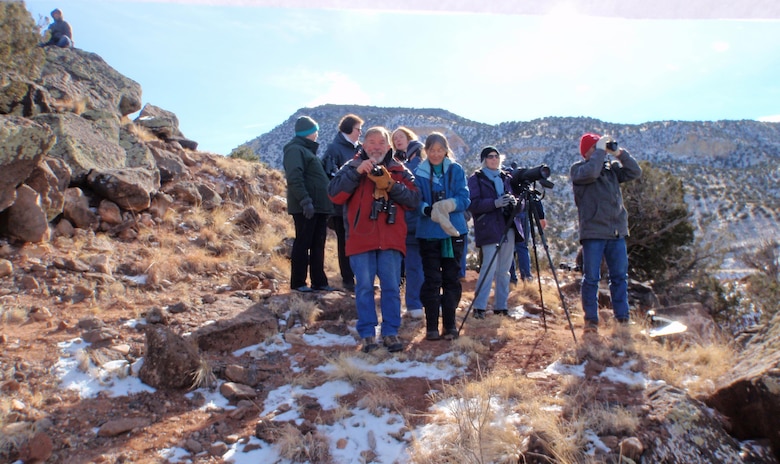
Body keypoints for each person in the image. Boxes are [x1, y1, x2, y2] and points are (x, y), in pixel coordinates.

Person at [328, 127, 420, 353]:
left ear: (389, 147)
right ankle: (367, 333)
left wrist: (390, 185)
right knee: (364, 288)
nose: (377, 147)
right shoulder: (351, 167)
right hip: (361, 240)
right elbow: (334, 194)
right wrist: (356, 173)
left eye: (381, 143)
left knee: (390, 288)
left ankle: (390, 332)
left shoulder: (400, 170)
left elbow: (414, 199)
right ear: (364, 145)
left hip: (390, 240)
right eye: (371, 142)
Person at [571, 133, 642, 333]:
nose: (601, 151)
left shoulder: (612, 170)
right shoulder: (579, 170)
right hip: (593, 232)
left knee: (619, 277)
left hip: (616, 231)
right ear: (587, 152)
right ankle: (591, 321)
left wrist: (618, 153)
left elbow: (635, 171)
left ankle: (622, 319)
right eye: (596, 147)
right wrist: (600, 151)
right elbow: (592, 172)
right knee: (591, 277)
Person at [414, 132, 470, 341]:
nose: (436, 154)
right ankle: (431, 327)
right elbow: (414, 201)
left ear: (446, 150)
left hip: (454, 231)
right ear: (425, 151)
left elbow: (465, 198)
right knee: (431, 280)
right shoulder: (419, 173)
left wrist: (449, 204)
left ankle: (450, 325)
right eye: (431, 150)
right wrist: (428, 211)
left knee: (451, 278)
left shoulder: (456, 170)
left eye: (439, 150)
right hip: (428, 233)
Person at [282, 116, 335, 293]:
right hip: (307, 206)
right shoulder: (295, 150)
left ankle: (319, 281)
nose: (317, 133)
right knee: (303, 243)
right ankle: (298, 282)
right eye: (315, 130)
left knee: (318, 244)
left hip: (318, 206)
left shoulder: (307, 151)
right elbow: (294, 177)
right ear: (309, 132)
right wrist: (305, 200)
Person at [467, 147, 518, 319]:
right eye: (490, 157)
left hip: (508, 225)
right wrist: (495, 203)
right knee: (488, 267)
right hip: (488, 227)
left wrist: (513, 202)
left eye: (497, 156)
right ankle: (479, 307)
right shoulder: (476, 179)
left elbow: (519, 202)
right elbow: (473, 204)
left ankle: (501, 306)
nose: (494, 159)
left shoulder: (506, 178)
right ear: (484, 160)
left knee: (504, 269)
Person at [321, 114, 365, 291]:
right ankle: (348, 280)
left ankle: (360, 278)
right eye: (357, 129)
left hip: (359, 206)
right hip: (340, 207)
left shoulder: (360, 149)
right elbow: (330, 177)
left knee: (359, 242)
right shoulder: (334, 149)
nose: (360, 132)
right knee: (344, 243)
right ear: (348, 129)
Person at [391, 126, 425, 319]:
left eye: (401, 137)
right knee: (402, 267)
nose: (397, 140)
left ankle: (415, 304)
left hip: (415, 221)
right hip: (398, 223)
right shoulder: (394, 162)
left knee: (415, 265)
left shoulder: (419, 163)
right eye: (394, 138)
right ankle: (408, 304)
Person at [509, 195, 547, 283]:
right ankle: (526, 277)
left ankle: (511, 279)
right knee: (521, 247)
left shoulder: (505, 182)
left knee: (508, 248)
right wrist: (541, 216)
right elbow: (532, 194)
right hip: (522, 212)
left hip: (509, 211)